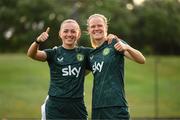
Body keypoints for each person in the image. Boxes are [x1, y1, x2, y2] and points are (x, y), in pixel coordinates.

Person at [27, 19, 92, 119]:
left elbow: (101, 55)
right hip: (55, 105)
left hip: (77, 105)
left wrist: (110, 39)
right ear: (60, 34)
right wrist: (37, 41)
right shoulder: (54, 53)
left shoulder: (85, 52)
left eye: (73, 31)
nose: (69, 34)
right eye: (65, 31)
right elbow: (32, 54)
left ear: (78, 34)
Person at [87, 13, 146, 120]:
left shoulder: (115, 43)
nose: (96, 28)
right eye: (93, 26)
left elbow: (142, 60)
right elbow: (79, 73)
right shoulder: (91, 54)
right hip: (97, 107)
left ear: (106, 27)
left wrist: (126, 47)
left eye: (99, 25)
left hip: (116, 106)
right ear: (89, 30)